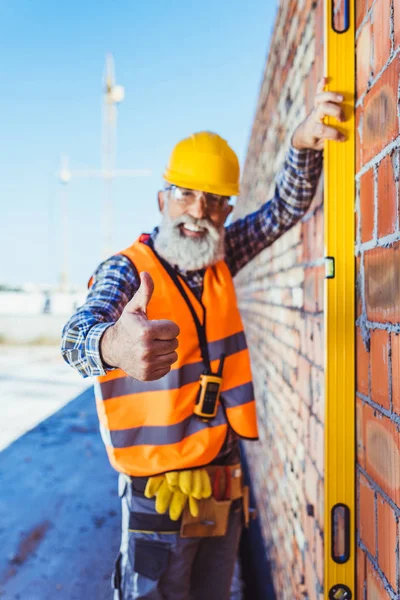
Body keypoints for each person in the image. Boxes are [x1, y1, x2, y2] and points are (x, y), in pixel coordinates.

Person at [61, 77, 345, 600]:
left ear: (227, 212)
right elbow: (75, 336)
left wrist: (302, 145)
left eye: (214, 200)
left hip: (221, 479)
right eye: (186, 194)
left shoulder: (219, 255)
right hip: (157, 490)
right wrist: (111, 346)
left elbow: (283, 210)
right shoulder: (125, 272)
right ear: (162, 199)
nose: (198, 211)